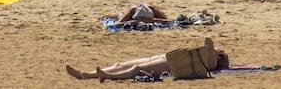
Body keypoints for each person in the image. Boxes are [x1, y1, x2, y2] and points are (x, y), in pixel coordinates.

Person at [65, 38, 228, 82]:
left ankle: (107, 76)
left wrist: (217, 52)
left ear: (219, 57)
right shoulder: (206, 57)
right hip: (162, 58)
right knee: (119, 64)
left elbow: (208, 40)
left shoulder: (211, 63)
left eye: (220, 51)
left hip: (168, 65)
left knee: (136, 69)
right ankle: (85, 74)